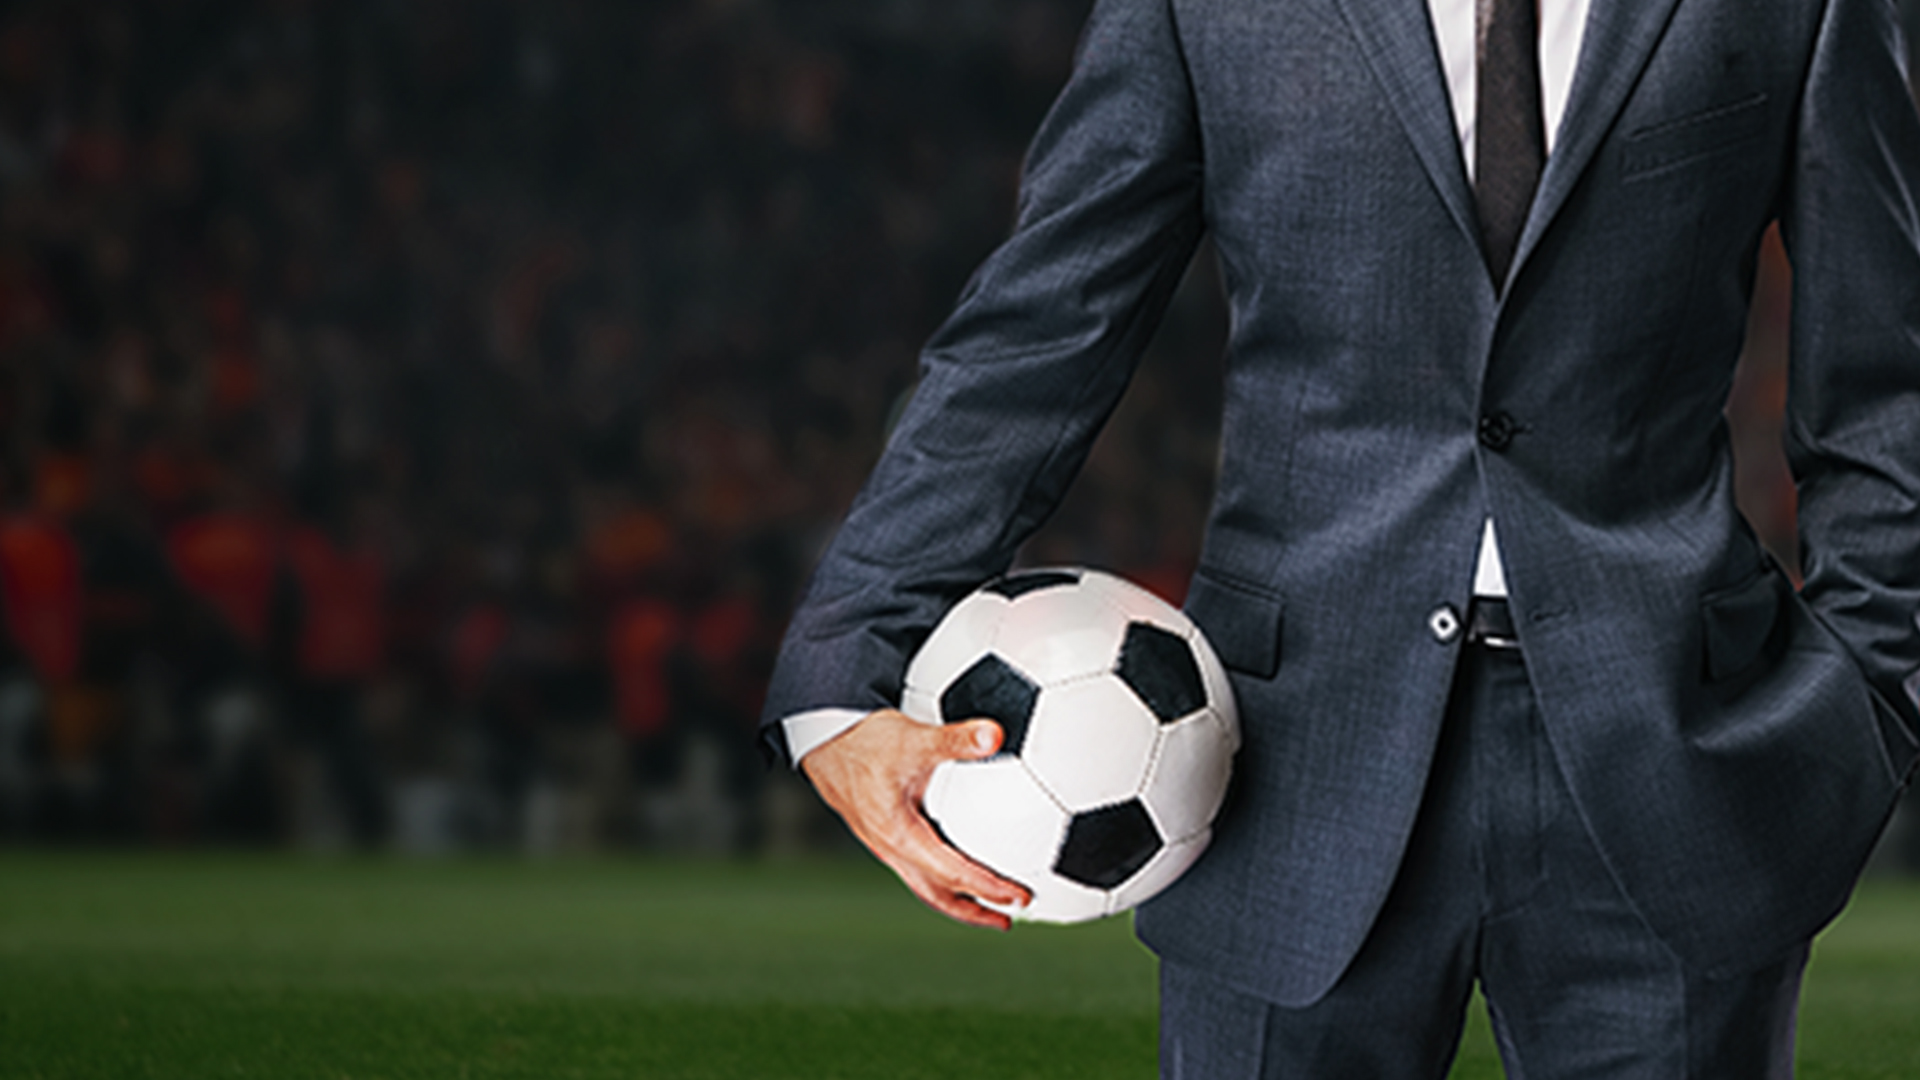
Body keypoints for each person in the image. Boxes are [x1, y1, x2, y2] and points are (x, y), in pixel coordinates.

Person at [758, 0, 1920, 1074]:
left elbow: (1886, 381)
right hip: (1283, 768)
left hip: (1676, 762)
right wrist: (848, 663)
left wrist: (1874, 701)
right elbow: (1046, 326)